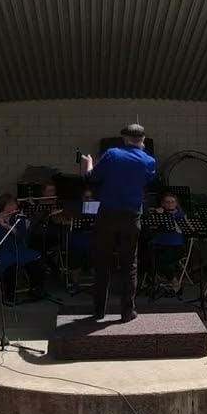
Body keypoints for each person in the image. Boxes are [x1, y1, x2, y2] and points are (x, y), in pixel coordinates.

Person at [82, 124, 156, 322]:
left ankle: (99, 311)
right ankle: (127, 311)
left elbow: (91, 178)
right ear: (143, 139)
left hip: (108, 214)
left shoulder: (112, 153)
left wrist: (88, 164)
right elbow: (148, 181)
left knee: (102, 261)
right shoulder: (149, 160)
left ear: (124, 138)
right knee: (129, 263)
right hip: (131, 216)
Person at [0, 193, 46, 304]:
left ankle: (36, 288)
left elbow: (22, 236)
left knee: (35, 258)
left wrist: (8, 227)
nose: (15, 207)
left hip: (16, 248)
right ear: (4, 206)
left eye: (15, 204)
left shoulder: (18, 218)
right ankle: (9, 294)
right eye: (12, 204)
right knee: (9, 263)